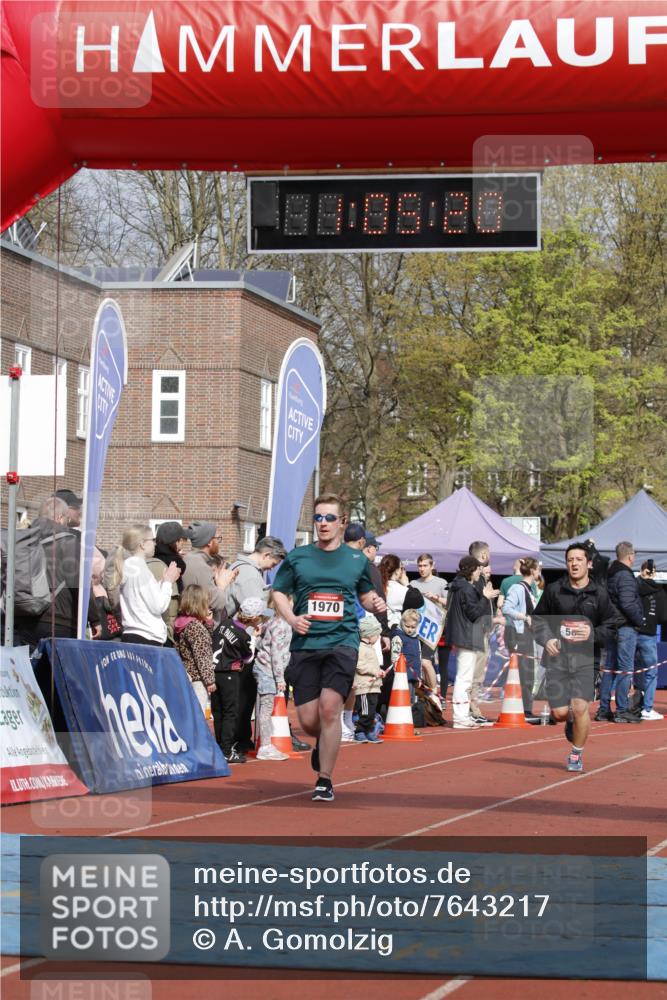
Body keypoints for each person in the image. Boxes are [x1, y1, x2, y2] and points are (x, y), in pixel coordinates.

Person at [272, 492, 386, 802]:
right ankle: (322, 742)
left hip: (342, 643)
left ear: (341, 523)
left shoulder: (356, 559)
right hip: (306, 643)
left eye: (329, 518)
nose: (323, 523)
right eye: (318, 518)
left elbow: (364, 597)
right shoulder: (298, 557)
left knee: (330, 709)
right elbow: (279, 593)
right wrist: (293, 619)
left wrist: (373, 603)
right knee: (309, 721)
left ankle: (325, 779)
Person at [532, 542, 619, 772]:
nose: (574, 564)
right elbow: (538, 620)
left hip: (586, 661)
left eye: (579, 559)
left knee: (581, 707)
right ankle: (569, 719)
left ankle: (576, 754)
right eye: (570, 559)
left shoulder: (599, 593)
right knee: (559, 713)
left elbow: (612, 626)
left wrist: (593, 633)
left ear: (589, 564)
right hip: (558, 660)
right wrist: (547, 639)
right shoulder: (554, 590)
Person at [12, 496, 100, 649]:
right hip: (59, 621)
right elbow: (79, 584)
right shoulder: (69, 543)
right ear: (60, 518)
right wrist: (95, 619)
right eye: (66, 519)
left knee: (29, 670)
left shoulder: (22, 541)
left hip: (24, 619)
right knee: (56, 671)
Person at [211, 596, 270, 763]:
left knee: (218, 711)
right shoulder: (243, 635)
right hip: (229, 673)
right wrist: (254, 638)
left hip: (214, 672)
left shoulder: (224, 624)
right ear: (253, 618)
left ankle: (219, 746)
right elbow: (248, 658)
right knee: (230, 713)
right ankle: (227, 750)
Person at [104, 524, 181, 645]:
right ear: (142, 544)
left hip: (133, 635)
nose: (155, 544)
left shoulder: (130, 566)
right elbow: (159, 606)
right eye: (153, 540)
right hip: (146, 638)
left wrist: (163, 581)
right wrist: (168, 582)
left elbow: (142, 600)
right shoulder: (139, 569)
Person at [597, 541, 645, 723]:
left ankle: (603, 709)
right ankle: (622, 709)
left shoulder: (610, 573)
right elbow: (627, 602)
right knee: (625, 669)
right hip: (624, 626)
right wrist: (639, 620)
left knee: (609, 668)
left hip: (612, 625)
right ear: (631, 556)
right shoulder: (625, 575)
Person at [446, 556, 492, 729]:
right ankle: (460, 717)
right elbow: (474, 614)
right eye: (478, 570)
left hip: (461, 634)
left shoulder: (458, 586)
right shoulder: (466, 588)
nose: (479, 573)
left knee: (463, 677)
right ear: (471, 570)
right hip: (467, 635)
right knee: (464, 678)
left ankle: (462, 715)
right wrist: (485, 597)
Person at [501, 557, 541, 721]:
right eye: (538, 570)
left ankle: (526, 708)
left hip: (527, 634)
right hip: (519, 634)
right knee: (523, 672)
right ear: (533, 571)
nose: (539, 573)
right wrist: (524, 618)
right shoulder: (518, 588)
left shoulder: (530, 589)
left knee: (528, 673)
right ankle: (523, 709)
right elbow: (506, 607)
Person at [253, 595, 292, 761]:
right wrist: (280, 677)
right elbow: (275, 652)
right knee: (266, 707)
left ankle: (265, 744)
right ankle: (265, 746)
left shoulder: (271, 619)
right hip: (268, 670)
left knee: (265, 707)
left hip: (266, 667)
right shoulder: (279, 625)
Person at [183, 521, 237, 626]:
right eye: (217, 539)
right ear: (209, 542)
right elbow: (217, 603)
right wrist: (222, 584)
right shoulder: (200, 566)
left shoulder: (189, 559)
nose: (218, 543)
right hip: (202, 629)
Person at [147, 521, 193, 644]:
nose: (183, 543)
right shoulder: (174, 564)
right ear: (176, 542)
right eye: (182, 539)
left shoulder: (150, 558)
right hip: (165, 628)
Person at [411, 552, 448, 702]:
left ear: (432, 566)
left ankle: (434, 694)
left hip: (433, 628)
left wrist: (436, 598)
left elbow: (450, 602)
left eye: (425, 566)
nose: (422, 569)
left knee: (426, 662)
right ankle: (423, 695)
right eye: (419, 566)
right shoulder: (414, 584)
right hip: (416, 627)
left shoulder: (441, 583)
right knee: (419, 663)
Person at [468, 541, 499, 723]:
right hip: (478, 631)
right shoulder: (477, 578)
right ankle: (472, 708)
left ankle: (472, 707)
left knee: (475, 672)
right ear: (484, 556)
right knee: (475, 673)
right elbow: (477, 606)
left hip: (482, 630)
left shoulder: (478, 578)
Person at [173, 584, 216, 715]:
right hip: (197, 678)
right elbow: (202, 655)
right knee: (198, 714)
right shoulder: (196, 627)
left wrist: (208, 623)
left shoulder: (181, 623)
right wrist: (209, 680)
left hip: (185, 673)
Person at [634, 559, 667, 720]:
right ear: (653, 572)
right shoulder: (659, 591)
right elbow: (663, 616)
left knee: (632, 670)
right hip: (648, 634)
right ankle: (647, 707)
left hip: (632, 632)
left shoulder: (633, 585)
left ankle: (630, 707)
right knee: (651, 672)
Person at [225, 536, 287, 616]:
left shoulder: (239, 565)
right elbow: (255, 613)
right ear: (266, 555)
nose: (271, 569)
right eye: (273, 564)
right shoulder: (249, 574)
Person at [353, 614, 386, 743]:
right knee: (365, 712)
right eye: (377, 635)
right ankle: (360, 731)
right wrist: (375, 671)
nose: (378, 638)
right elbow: (360, 665)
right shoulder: (361, 648)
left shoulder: (369, 648)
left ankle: (368, 731)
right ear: (369, 635)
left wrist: (379, 671)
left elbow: (372, 666)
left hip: (373, 687)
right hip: (364, 687)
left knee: (371, 711)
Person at [390, 608, 423, 708]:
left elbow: (419, 656)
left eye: (413, 627)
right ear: (402, 622)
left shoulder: (416, 638)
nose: (410, 629)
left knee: (412, 699)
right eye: (407, 626)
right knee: (405, 698)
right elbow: (395, 656)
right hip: (403, 675)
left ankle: (410, 719)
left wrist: (419, 676)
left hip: (414, 674)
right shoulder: (398, 637)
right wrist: (398, 673)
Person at [380, 554, 409, 628]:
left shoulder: (375, 582)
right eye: (401, 568)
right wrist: (407, 584)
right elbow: (419, 601)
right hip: (390, 631)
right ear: (397, 571)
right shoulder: (399, 589)